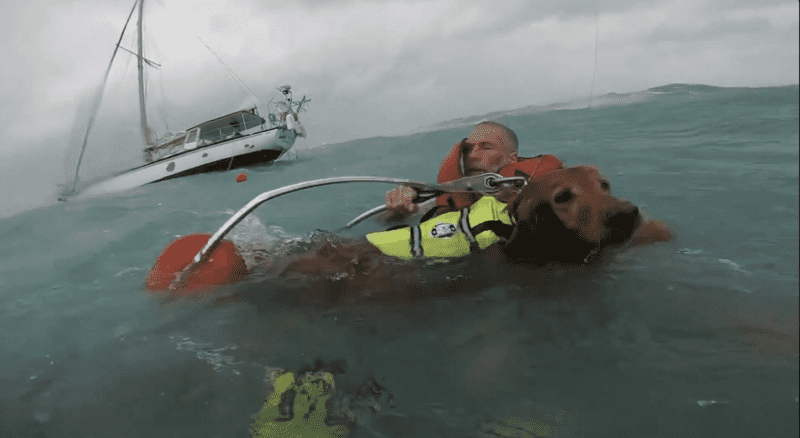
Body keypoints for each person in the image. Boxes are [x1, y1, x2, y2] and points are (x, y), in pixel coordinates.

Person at [384, 121, 561, 220]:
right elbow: (393, 219)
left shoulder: (542, 188)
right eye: (468, 149)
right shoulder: (454, 194)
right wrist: (401, 206)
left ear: (512, 158)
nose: (473, 156)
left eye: (486, 147)